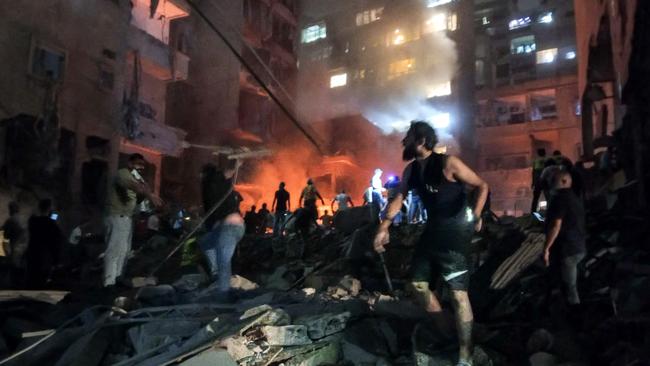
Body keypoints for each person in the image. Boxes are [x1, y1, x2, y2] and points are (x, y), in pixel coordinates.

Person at [373, 121, 489, 366]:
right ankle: (449, 334)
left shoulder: (449, 163)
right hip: (433, 231)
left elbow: (482, 185)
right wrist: (384, 227)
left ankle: (466, 356)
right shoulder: (412, 170)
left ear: (422, 141)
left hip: (455, 232)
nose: (403, 141)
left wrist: (477, 215)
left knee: (458, 294)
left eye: (408, 137)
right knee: (418, 284)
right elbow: (398, 198)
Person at [104, 153, 162, 287]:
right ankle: (108, 282)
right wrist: (149, 194)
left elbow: (140, 194)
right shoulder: (123, 173)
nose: (141, 167)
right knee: (114, 250)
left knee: (124, 251)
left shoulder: (137, 178)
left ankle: (117, 279)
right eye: (138, 164)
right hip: (117, 216)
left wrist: (148, 194)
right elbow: (134, 187)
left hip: (127, 218)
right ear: (130, 164)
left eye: (142, 165)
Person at [199, 161, 245, 300]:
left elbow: (228, 172)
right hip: (222, 228)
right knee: (205, 243)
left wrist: (237, 163)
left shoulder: (216, 179)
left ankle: (223, 295)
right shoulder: (210, 187)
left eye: (201, 175)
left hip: (230, 227)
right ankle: (216, 275)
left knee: (223, 261)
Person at [543, 170, 587, 306]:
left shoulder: (560, 199)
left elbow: (556, 225)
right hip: (579, 247)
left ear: (564, 181)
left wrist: (546, 248)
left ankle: (574, 316)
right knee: (571, 285)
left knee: (570, 288)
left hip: (568, 249)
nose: (550, 183)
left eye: (553, 180)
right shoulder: (574, 198)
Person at [25, 199, 63, 288]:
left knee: (31, 281)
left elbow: (35, 216)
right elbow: (55, 241)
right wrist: (56, 260)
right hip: (44, 256)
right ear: (49, 208)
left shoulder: (32, 221)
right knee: (41, 282)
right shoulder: (51, 224)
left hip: (32, 253)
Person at [2, 202, 25, 270]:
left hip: (14, 250)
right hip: (23, 251)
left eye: (10, 209)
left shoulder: (10, 220)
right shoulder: (22, 219)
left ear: (11, 210)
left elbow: (5, 236)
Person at [530, 148, 547, 213]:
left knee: (536, 197)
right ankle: (551, 210)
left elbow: (533, 172)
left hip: (538, 181)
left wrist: (533, 182)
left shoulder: (536, 161)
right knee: (548, 196)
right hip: (545, 181)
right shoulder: (547, 160)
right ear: (544, 153)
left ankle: (533, 212)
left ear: (538, 154)